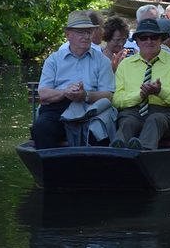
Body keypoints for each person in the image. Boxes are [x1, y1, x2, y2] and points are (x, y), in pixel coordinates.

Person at [32, 11, 115, 149]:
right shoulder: (54, 60)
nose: (86, 37)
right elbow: (43, 93)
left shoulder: (103, 61)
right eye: (80, 33)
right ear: (68, 35)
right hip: (58, 108)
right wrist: (65, 92)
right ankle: (52, 167)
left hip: (91, 109)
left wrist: (86, 95)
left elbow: (108, 94)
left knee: (100, 133)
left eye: (89, 32)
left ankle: (96, 168)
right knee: (41, 128)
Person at [111, 19, 170, 150]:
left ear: (161, 40)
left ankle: (143, 151)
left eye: (154, 37)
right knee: (127, 122)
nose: (149, 41)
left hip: (165, 113)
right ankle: (117, 151)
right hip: (133, 111)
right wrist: (140, 95)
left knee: (155, 119)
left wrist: (161, 91)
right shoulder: (125, 65)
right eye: (144, 38)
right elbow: (117, 99)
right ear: (137, 41)